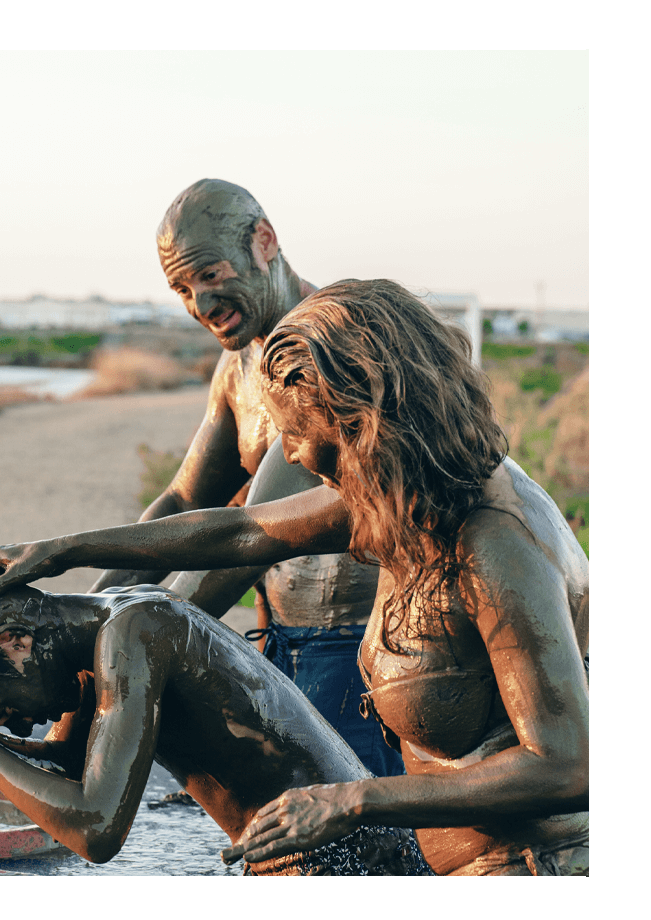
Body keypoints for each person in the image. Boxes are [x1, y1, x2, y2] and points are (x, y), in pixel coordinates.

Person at [0, 279, 590, 876]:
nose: (290, 455)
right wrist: (66, 550)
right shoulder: (410, 490)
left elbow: (567, 766)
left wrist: (352, 801)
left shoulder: (495, 543)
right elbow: (242, 531)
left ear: (362, 422)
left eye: (298, 432)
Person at [88, 178, 401, 776]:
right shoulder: (240, 365)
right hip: (280, 647)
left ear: (264, 241)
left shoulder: (333, 344)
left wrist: (129, 643)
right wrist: (87, 611)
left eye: (209, 275)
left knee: (362, 849)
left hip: (368, 655)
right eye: (182, 288)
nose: (200, 305)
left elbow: (250, 537)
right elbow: (182, 499)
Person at [0, 560, 431, 876]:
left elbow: (96, 829)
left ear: (16, 643)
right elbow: (69, 770)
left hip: (348, 861)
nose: (18, 728)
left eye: (4, 710)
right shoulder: (93, 633)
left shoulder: (136, 631)